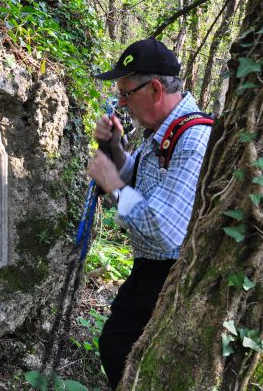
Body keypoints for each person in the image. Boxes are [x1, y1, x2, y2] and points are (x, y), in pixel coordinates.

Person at [86, 37, 212, 390]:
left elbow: (164, 226)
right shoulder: (161, 131)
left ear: (155, 89)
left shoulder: (193, 138)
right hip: (149, 270)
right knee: (116, 346)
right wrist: (115, 150)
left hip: (173, 276)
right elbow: (138, 181)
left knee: (130, 354)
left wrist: (111, 183)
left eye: (126, 93)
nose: (121, 103)